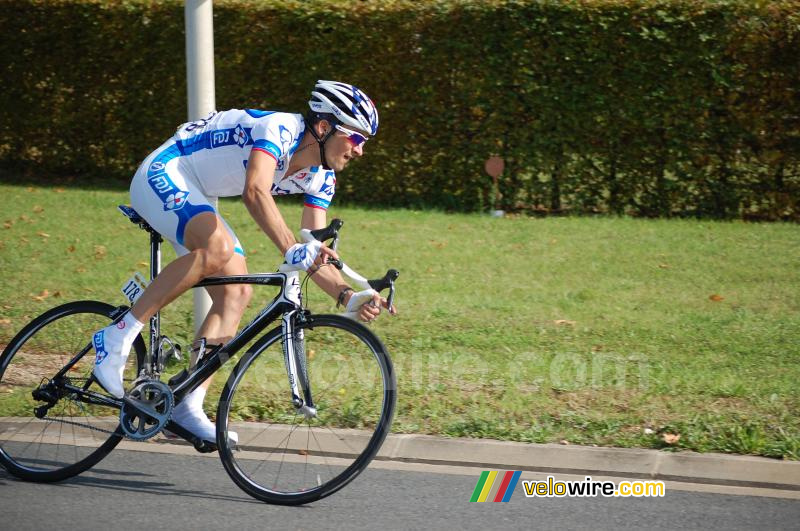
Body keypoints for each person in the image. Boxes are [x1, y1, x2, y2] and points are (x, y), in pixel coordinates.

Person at [91, 80, 394, 444]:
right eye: (357, 138)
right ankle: (117, 336)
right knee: (217, 250)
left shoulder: (322, 177)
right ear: (325, 127)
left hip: (198, 191)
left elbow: (312, 248)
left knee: (236, 294)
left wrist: (348, 296)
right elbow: (255, 192)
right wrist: (290, 248)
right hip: (166, 170)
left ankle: (187, 404)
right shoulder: (279, 129)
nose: (360, 151)